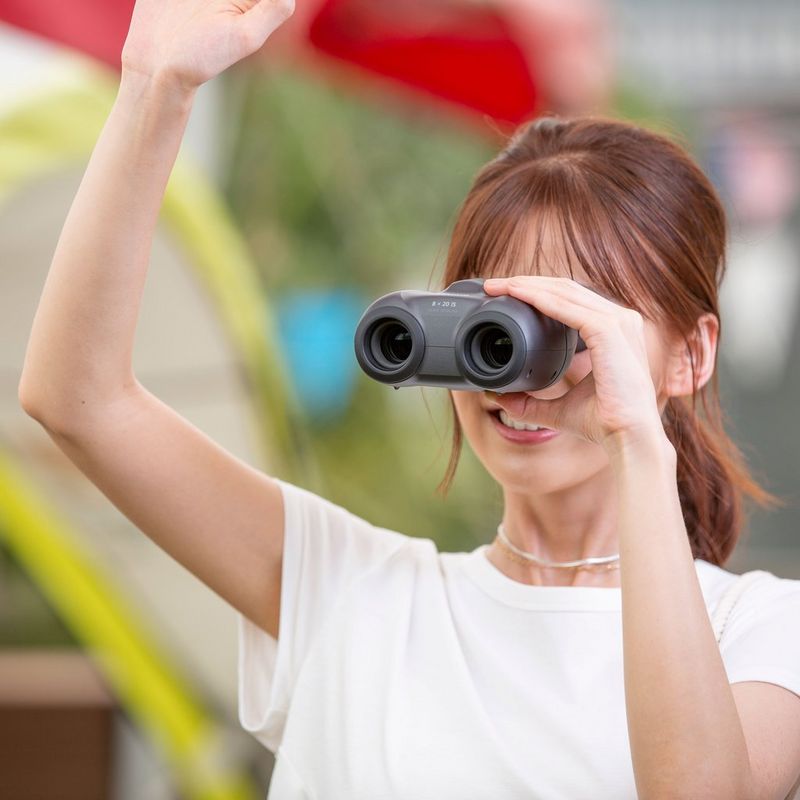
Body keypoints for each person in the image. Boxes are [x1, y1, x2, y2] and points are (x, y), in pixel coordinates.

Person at [17, 1, 800, 798]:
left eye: (577, 324)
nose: (526, 374)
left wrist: (635, 440)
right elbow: (77, 400)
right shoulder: (346, 590)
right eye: (498, 330)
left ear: (691, 355)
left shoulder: (761, 631)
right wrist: (155, 86)